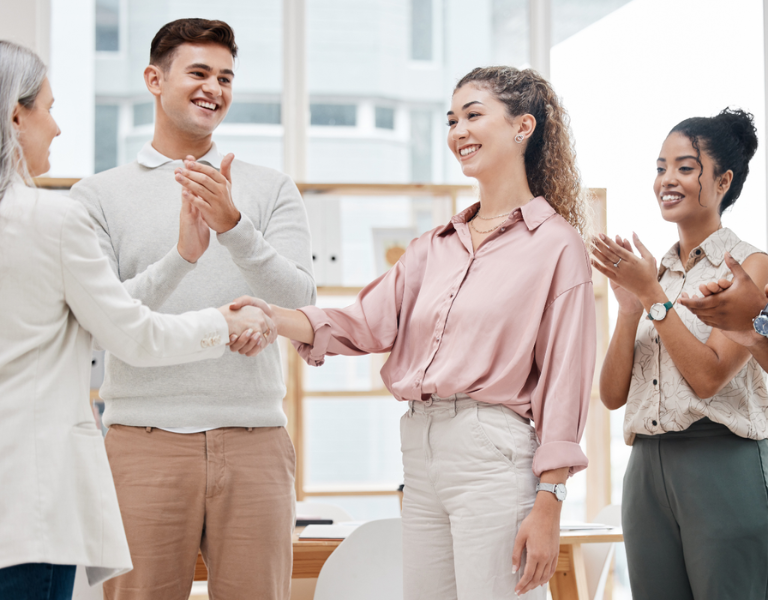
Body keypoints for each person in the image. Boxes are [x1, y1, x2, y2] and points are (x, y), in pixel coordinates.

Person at [233, 66, 596, 600]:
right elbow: (362, 322)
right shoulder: (435, 245)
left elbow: (565, 380)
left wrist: (551, 500)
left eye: (474, 115)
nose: (458, 131)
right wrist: (272, 313)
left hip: (493, 450)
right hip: (421, 449)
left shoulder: (557, 246)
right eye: (452, 120)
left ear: (523, 127)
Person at [0, 41, 275, 600]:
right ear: (14, 114)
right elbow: (129, 332)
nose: (55, 128)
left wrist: (183, 257)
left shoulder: (270, 186)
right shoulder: (54, 217)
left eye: (226, 76)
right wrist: (225, 322)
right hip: (28, 500)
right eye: (48, 109)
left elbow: (104, 315)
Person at [68, 19, 315, 600]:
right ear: (155, 79)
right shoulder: (97, 196)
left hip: (255, 436)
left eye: (225, 77)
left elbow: (299, 299)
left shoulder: (270, 187)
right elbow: (104, 319)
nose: (215, 88)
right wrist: (182, 257)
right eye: (199, 73)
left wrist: (233, 227)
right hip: (142, 440)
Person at [592, 108, 768, 600]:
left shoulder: (751, 265)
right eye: (660, 167)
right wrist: (629, 310)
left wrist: (651, 297)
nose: (667, 180)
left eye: (685, 167)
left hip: (720, 460)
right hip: (646, 470)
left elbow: (709, 378)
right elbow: (610, 397)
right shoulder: (656, 274)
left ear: (722, 181)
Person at [678, 252, 768, 371]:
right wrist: (759, 342)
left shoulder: (755, 261)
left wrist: (651, 293)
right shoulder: (661, 274)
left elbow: (709, 379)